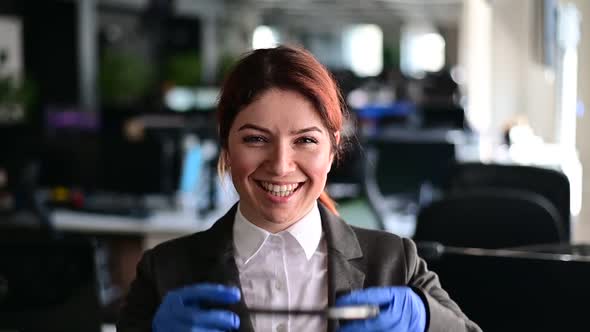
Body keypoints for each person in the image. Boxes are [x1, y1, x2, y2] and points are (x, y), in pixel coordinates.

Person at [117, 45, 481, 332]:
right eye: (256, 139)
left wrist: (427, 321)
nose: (280, 164)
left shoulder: (392, 262)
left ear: (334, 147)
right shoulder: (165, 271)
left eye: (305, 140)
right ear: (226, 144)